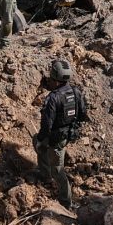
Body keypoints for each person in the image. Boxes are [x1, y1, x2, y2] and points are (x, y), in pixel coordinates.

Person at [35, 59, 88, 209]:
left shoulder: (53, 98)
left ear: (55, 78)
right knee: (40, 145)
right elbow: (83, 114)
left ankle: (66, 202)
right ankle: (45, 175)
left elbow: (46, 125)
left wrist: (40, 139)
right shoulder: (76, 92)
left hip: (56, 139)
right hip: (69, 133)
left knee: (58, 169)